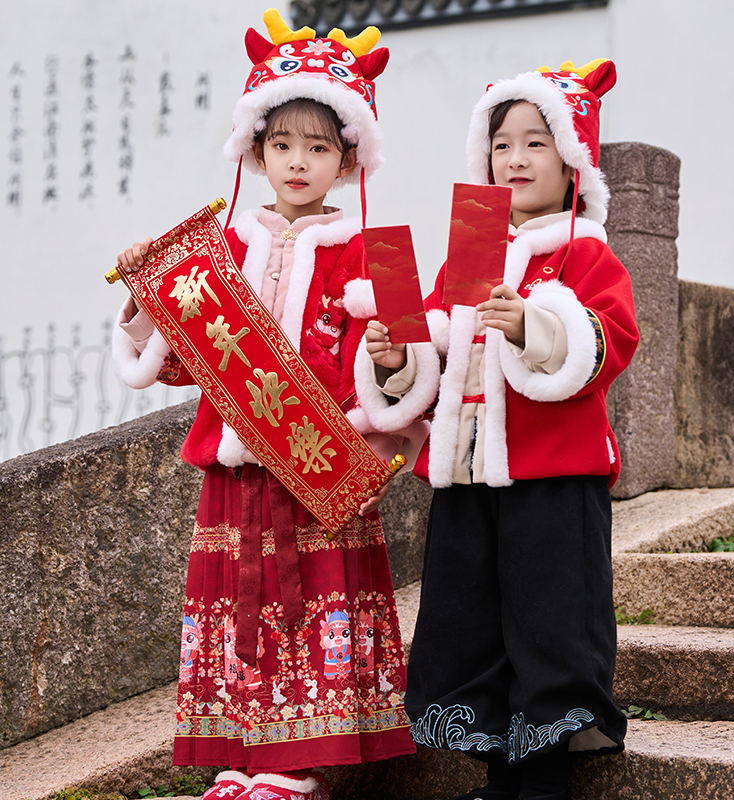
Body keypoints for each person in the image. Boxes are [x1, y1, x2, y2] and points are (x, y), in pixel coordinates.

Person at [112, 10, 420, 800]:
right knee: (234, 605)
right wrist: (147, 298)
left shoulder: (381, 251)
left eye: (318, 147)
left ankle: (300, 764)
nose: (297, 161)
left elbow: (415, 374)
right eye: (281, 144)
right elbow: (177, 364)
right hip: (237, 468)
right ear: (255, 150)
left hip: (321, 466)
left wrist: (392, 359)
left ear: (348, 158)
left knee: (314, 606)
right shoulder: (217, 253)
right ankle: (240, 756)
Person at [357, 60, 639, 800]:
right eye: (502, 143)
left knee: (552, 620)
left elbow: (611, 339)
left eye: (536, 143)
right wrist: (395, 356)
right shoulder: (472, 247)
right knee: (468, 616)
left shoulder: (585, 251)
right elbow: (430, 355)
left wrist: (535, 323)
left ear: (573, 158)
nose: (514, 158)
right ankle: (499, 772)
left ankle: (543, 778)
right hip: (469, 470)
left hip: (554, 472)